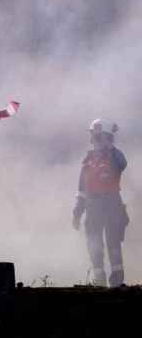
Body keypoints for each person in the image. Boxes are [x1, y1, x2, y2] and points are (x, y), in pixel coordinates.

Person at [73, 119, 129, 287]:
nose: (94, 140)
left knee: (113, 244)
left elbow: (123, 164)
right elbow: (81, 191)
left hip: (112, 206)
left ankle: (117, 282)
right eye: (94, 137)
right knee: (94, 243)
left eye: (98, 137)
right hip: (92, 207)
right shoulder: (88, 160)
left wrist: (110, 147)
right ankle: (99, 281)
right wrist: (77, 213)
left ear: (107, 138)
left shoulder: (115, 156)